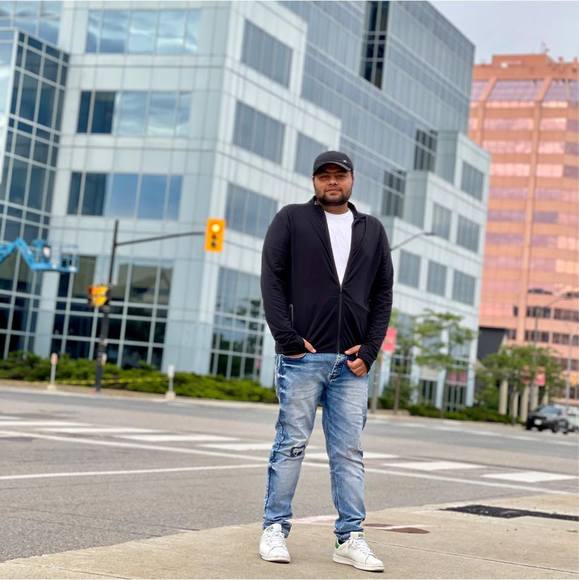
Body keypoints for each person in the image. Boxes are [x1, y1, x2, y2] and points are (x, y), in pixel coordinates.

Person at [259, 151, 394, 572]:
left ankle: (349, 537)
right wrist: (287, 339)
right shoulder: (291, 219)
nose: (332, 182)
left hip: (351, 364)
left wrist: (370, 351)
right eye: (324, 176)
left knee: (349, 453)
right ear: (314, 181)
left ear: (352, 179)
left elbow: (383, 293)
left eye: (339, 175)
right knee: (291, 444)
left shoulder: (372, 229)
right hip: (304, 358)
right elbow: (272, 279)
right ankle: (274, 528)